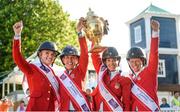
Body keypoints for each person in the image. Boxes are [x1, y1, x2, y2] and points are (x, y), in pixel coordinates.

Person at [12, 21, 61, 111]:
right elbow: (17, 57)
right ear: (40, 54)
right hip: (34, 108)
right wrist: (17, 35)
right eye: (47, 53)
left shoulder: (56, 74)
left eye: (52, 54)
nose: (50, 56)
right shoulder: (32, 68)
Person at [55, 17, 90, 111]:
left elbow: (85, 54)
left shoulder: (81, 70)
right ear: (62, 60)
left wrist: (80, 33)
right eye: (66, 57)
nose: (69, 60)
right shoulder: (59, 76)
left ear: (77, 60)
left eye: (73, 57)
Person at [126, 20, 160, 111]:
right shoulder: (129, 79)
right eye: (132, 62)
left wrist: (155, 32)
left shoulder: (150, 71)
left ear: (143, 61)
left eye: (137, 61)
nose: (134, 64)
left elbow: (154, 53)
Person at [91, 47, 131, 111]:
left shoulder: (124, 80)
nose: (111, 63)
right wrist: (95, 42)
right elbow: (95, 55)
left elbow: (126, 103)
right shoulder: (101, 72)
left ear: (118, 61)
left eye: (114, 60)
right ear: (105, 62)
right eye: (108, 60)